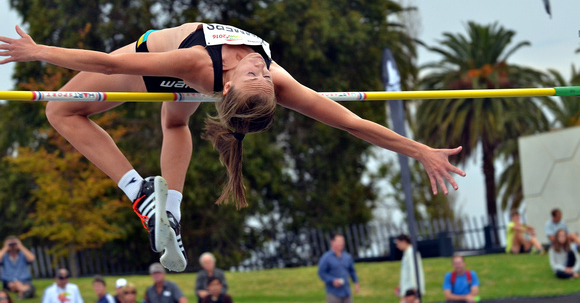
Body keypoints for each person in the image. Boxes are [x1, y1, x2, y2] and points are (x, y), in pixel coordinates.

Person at [0, 23, 466, 272]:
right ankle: (166, 208)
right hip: (174, 75)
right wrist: (421, 148)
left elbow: (354, 124)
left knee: (61, 111)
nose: (261, 70)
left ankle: (142, 194)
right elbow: (355, 121)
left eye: (258, 74)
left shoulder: (213, 66)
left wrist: (42, 52)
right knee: (166, 119)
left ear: (225, 87)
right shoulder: (247, 73)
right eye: (260, 74)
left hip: (173, 73)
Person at [318, 234, 359, 303]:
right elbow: (321, 273)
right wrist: (332, 280)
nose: (342, 243)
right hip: (334, 293)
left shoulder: (347, 257)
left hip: (346, 292)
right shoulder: (326, 258)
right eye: (339, 241)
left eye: (343, 241)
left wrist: (356, 282)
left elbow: (352, 271)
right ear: (332, 242)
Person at [394, 234, 424, 303]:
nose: (397, 246)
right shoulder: (407, 253)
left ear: (404, 242)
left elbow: (414, 270)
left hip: (410, 290)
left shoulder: (411, 253)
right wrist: (401, 286)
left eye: (398, 243)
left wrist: (414, 289)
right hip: (408, 289)